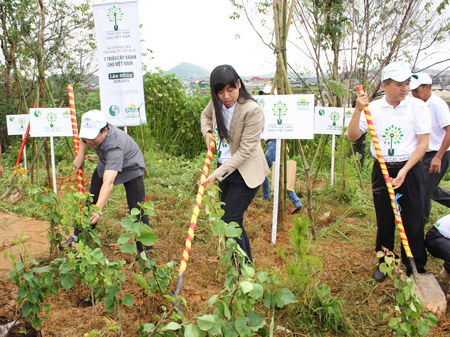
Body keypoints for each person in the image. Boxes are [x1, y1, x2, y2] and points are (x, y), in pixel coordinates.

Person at [347, 61, 431, 282]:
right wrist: (357, 110)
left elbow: (423, 143)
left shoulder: (417, 107)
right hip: (382, 170)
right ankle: (385, 262)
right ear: (385, 85)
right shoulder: (372, 108)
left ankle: (415, 264)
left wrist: (404, 170)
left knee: (412, 218)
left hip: (409, 169)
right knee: (385, 219)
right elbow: (353, 135)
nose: (405, 88)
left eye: (407, 84)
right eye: (399, 84)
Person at [201, 65, 269, 263]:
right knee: (232, 220)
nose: (226, 96)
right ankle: (246, 267)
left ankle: (241, 271)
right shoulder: (216, 103)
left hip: (246, 172)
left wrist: (216, 174)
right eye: (220, 92)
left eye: (230, 89)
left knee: (229, 221)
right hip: (225, 169)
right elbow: (205, 117)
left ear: (239, 84)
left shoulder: (252, 110)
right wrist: (207, 132)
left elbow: (245, 151)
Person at [62, 110, 151, 258]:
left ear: (104, 130)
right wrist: (80, 156)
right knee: (90, 200)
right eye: (87, 137)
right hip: (105, 163)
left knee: (137, 207)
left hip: (131, 166)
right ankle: (78, 238)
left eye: (93, 139)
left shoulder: (114, 146)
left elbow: (108, 183)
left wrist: (98, 210)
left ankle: (145, 248)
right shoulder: (91, 133)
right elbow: (83, 139)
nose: (89, 142)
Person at [410, 73, 450, 223]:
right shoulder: (418, 105)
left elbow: (449, 130)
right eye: (412, 91)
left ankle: (420, 224)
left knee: (423, 191)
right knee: (428, 188)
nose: (413, 94)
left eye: (416, 90)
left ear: (427, 87)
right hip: (425, 154)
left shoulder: (437, 105)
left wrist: (438, 157)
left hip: (439, 153)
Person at [258, 86, 304, 214]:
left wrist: (282, 143)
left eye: (266, 94)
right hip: (271, 144)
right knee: (262, 169)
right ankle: (266, 196)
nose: (264, 97)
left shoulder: (275, 108)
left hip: (274, 143)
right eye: (263, 95)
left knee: (280, 174)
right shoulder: (265, 109)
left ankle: (296, 202)